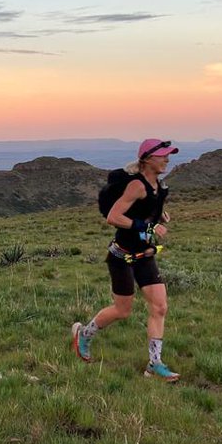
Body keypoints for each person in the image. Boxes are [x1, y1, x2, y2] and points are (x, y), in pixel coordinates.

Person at [72, 138, 180, 381]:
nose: (167, 159)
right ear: (147, 159)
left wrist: (158, 217)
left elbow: (142, 213)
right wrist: (148, 227)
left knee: (160, 307)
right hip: (121, 256)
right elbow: (113, 217)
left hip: (145, 255)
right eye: (163, 155)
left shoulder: (159, 187)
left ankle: (154, 364)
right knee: (122, 311)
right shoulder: (136, 186)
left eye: (168, 155)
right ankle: (83, 335)